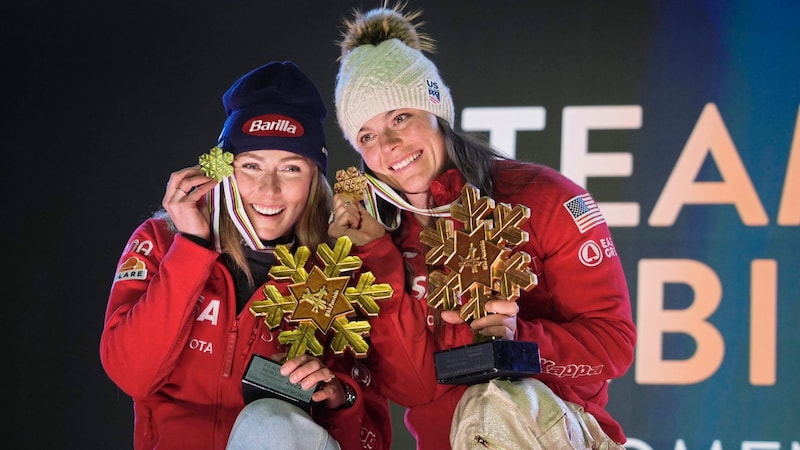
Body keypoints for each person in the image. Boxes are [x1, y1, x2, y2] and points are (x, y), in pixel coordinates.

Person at [326, 4, 636, 450]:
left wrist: (520, 342)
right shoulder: (375, 236)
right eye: (367, 137)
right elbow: (414, 389)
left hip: (556, 435)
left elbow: (614, 346)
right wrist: (379, 258)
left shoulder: (543, 197)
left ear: (436, 112)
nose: (389, 146)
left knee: (494, 403)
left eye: (400, 118)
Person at [100, 60, 391, 450]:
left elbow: (372, 435)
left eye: (290, 168)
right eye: (251, 165)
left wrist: (341, 397)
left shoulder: (340, 268)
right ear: (221, 172)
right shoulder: (162, 240)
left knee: (271, 425)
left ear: (314, 181)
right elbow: (131, 375)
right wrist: (191, 247)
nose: (269, 190)